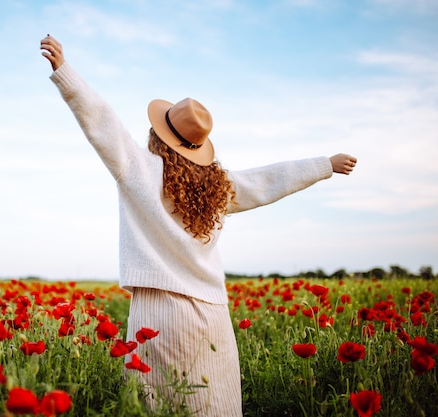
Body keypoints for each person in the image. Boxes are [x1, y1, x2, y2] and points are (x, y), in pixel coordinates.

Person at [40, 35, 357, 416]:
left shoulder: (139, 170)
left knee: (159, 405)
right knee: (212, 404)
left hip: (159, 314)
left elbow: (101, 122)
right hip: (212, 317)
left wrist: (65, 72)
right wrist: (326, 165)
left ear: (157, 134)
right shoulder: (220, 186)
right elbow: (271, 179)